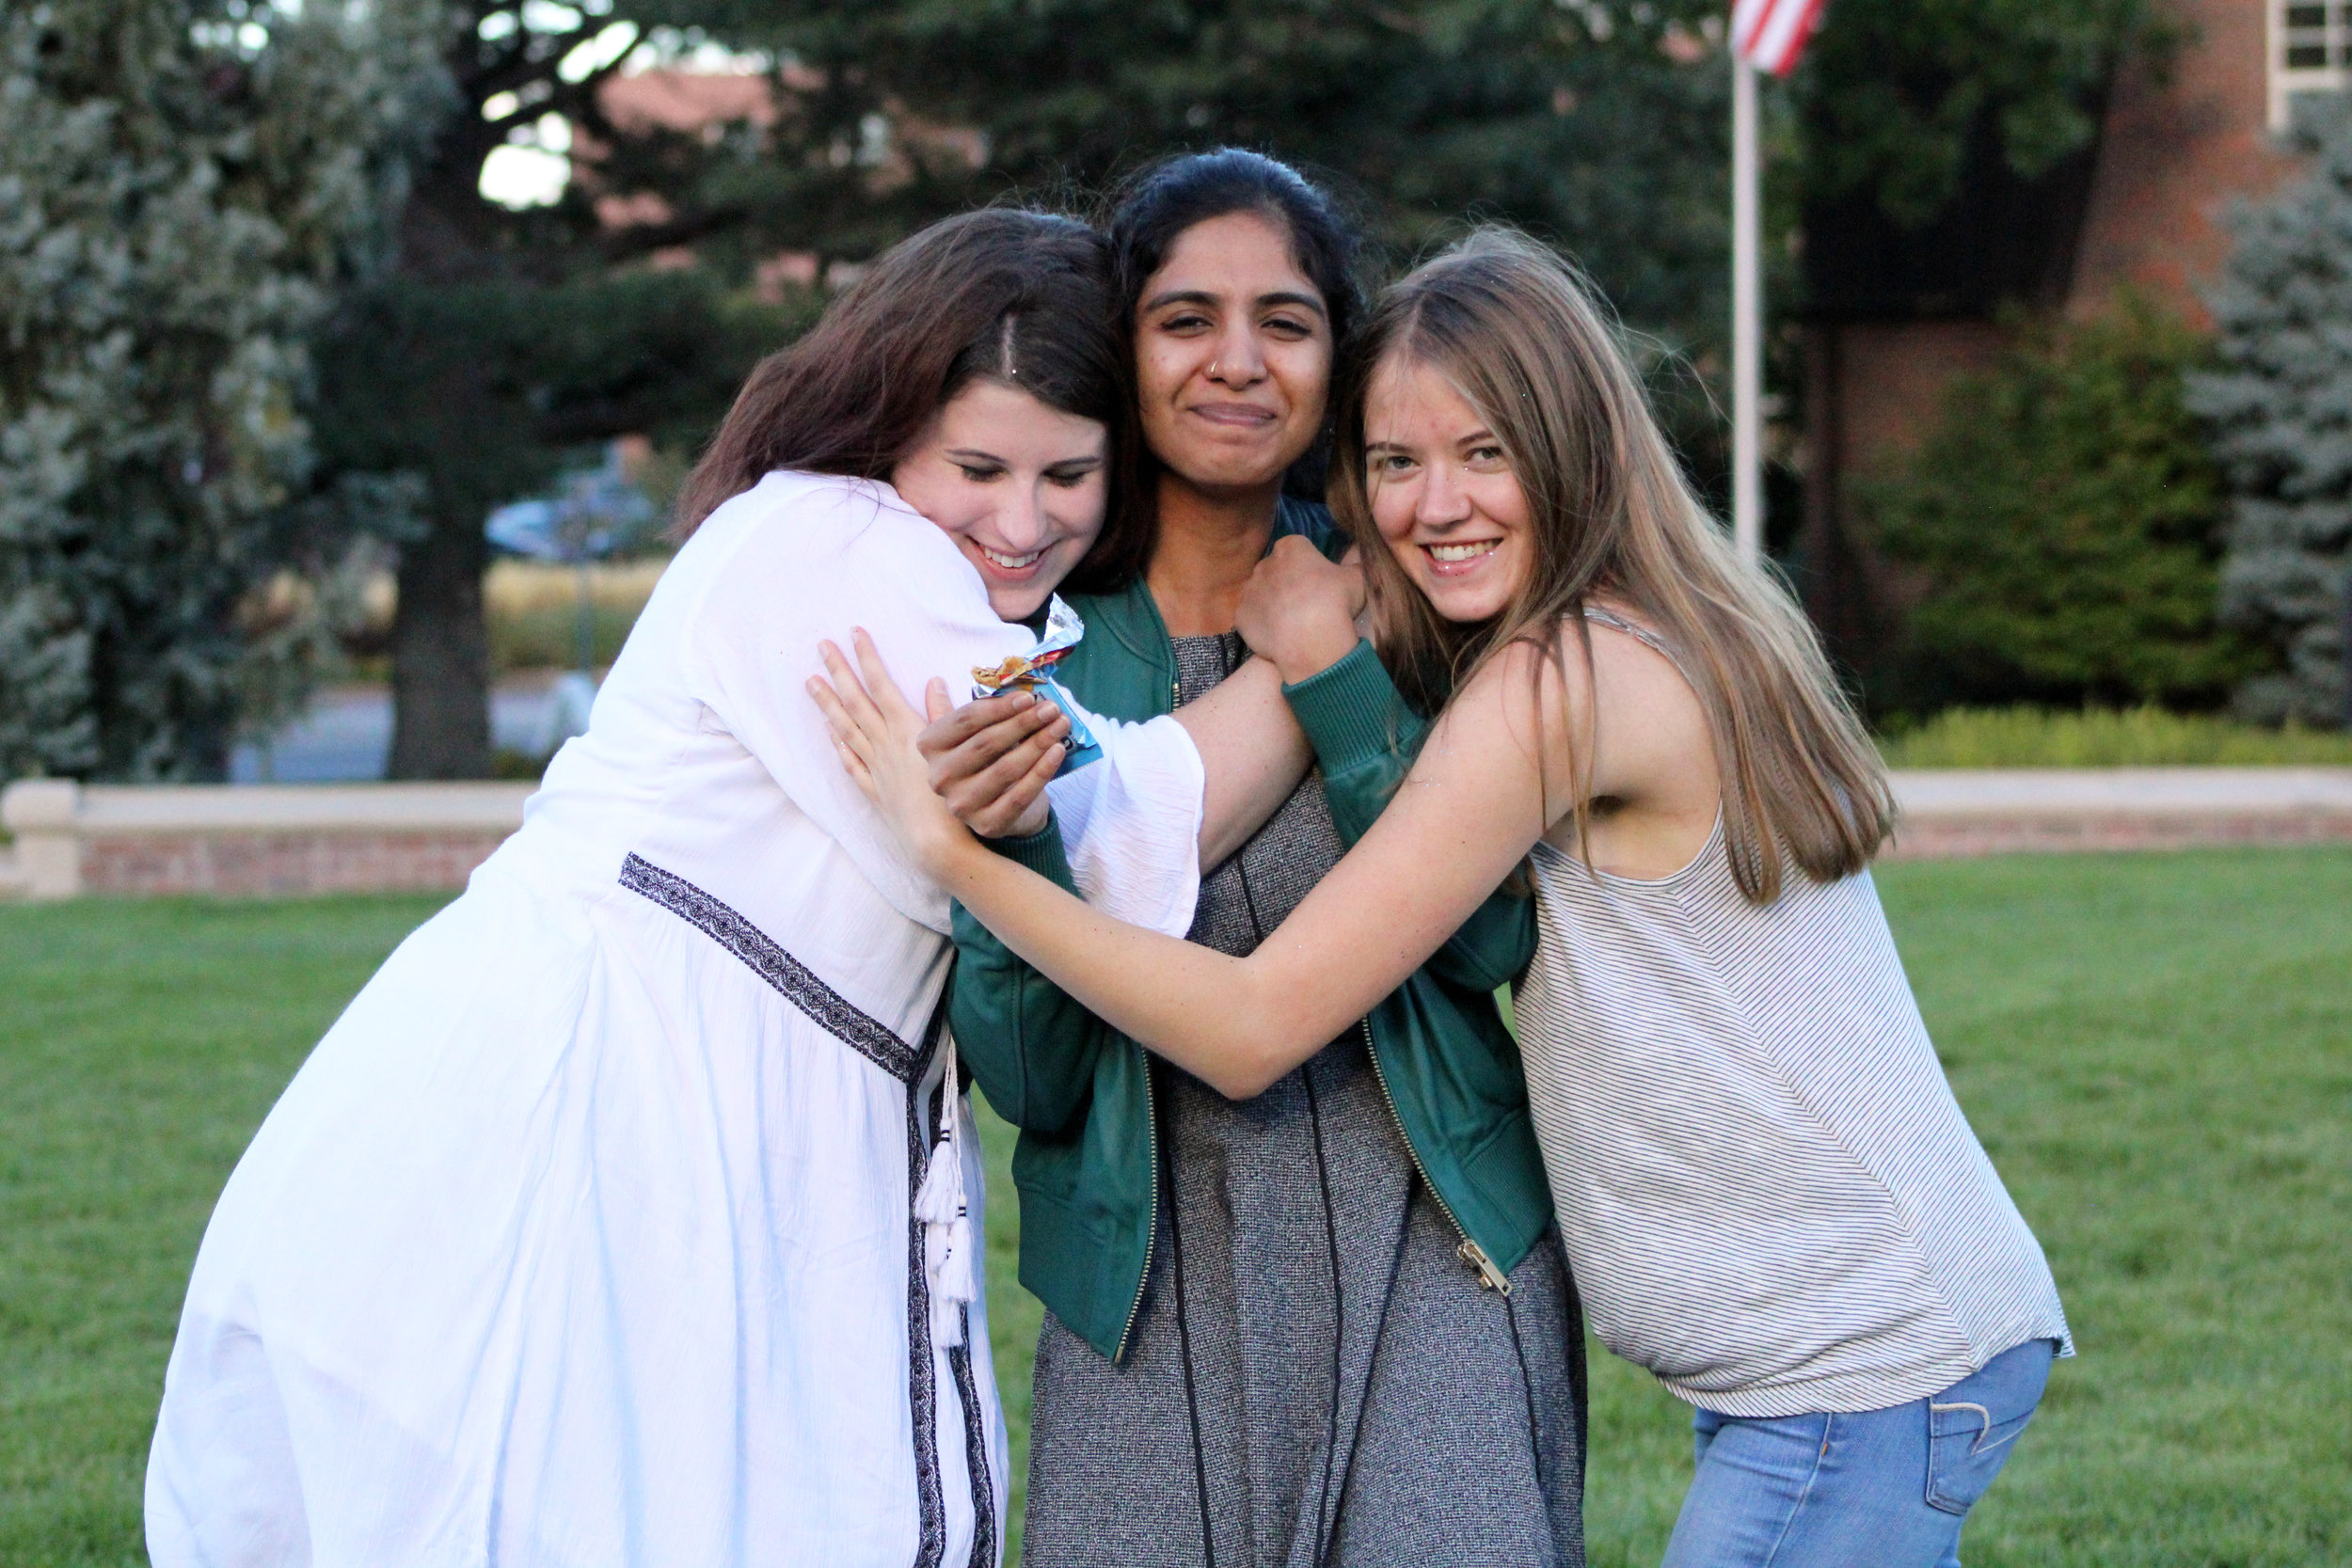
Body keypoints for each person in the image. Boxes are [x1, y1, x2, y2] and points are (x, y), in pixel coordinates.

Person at [814, 228, 2073, 1568]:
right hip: (1865, 1350)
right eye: (1396, 463)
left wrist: (963, 856)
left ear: (1573, 448)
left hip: (1863, 1362)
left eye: (1485, 453)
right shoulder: (1628, 631)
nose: (1435, 504)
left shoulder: (1560, 686)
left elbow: (1253, 1026)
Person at [146, 208, 1281, 1568]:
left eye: (1070, 475)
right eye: (978, 467)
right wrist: (1328, 654)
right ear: (890, 433)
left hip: (687, 1077)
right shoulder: (839, 541)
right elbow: (1105, 834)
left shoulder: (873, 553)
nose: (1021, 521)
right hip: (613, 1092)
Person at [932, 152, 1585, 1568]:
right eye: (1187, 320)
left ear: (1334, 356)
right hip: (1146, 1283)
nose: (1238, 361)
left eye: (1284, 322)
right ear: (1124, 347)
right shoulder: (1029, 647)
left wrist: (1337, 674)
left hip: (1430, 1237)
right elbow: (1032, 1078)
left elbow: (1494, 946)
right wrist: (1018, 840)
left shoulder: (1407, 583)